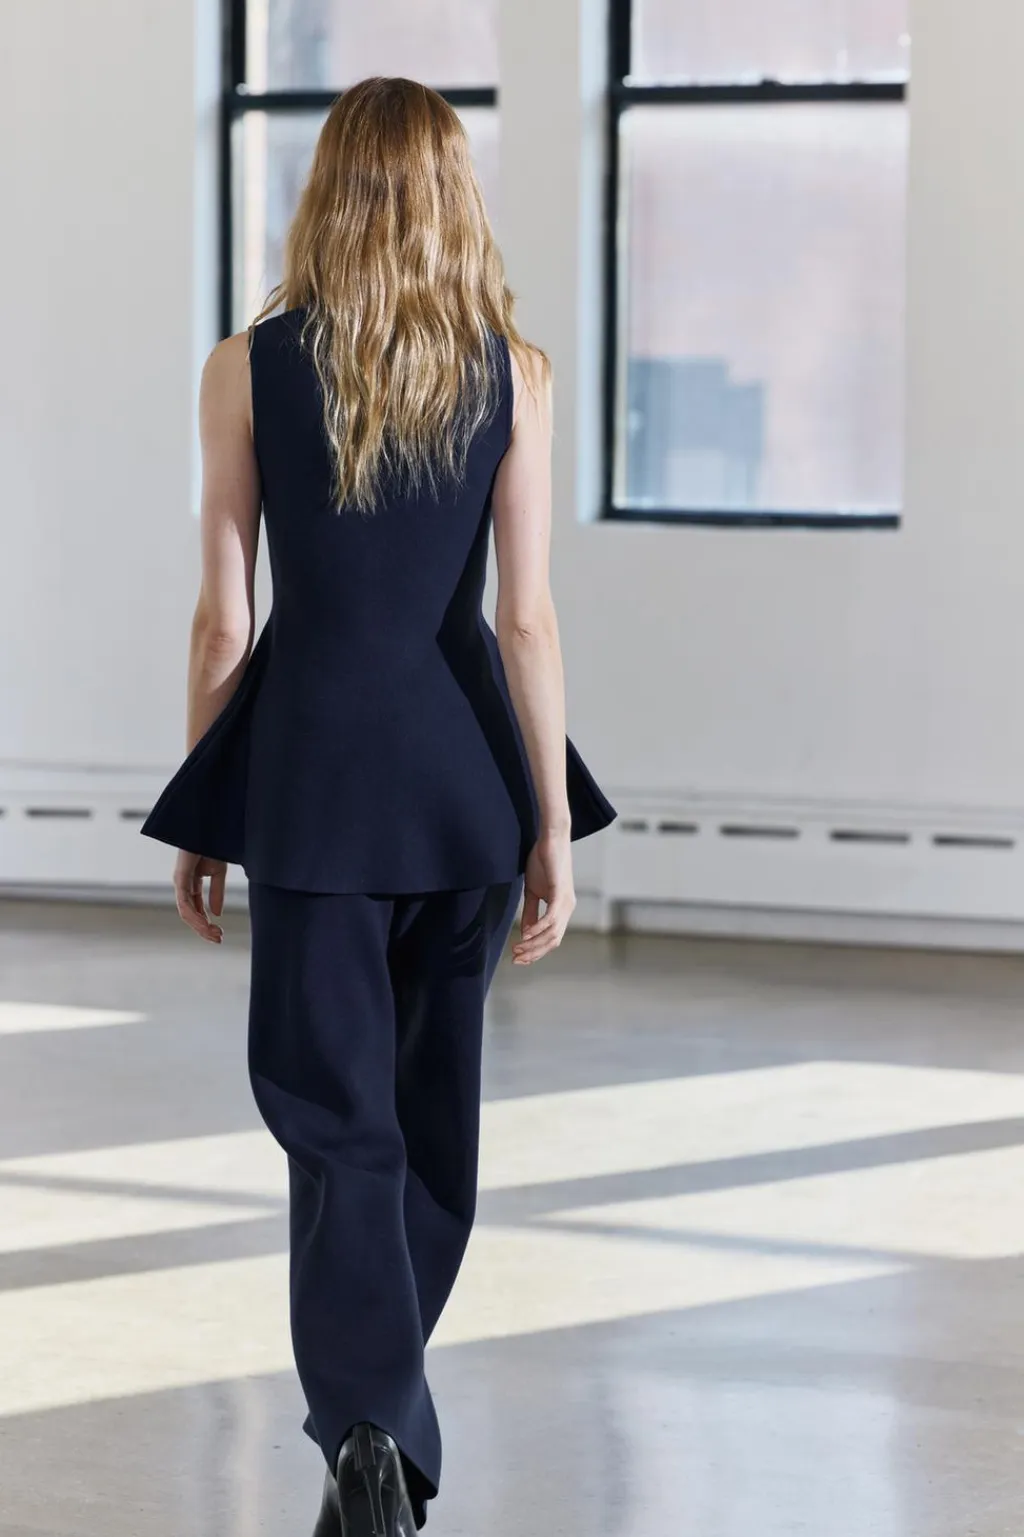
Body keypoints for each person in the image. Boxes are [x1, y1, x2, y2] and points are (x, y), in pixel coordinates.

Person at [142, 76, 615, 1537]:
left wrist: (208, 804)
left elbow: (225, 622)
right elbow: (525, 620)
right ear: (453, 192)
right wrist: (550, 821)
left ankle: (364, 1434)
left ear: (327, 187)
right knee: (428, 1131)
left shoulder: (247, 367)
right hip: (463, 787)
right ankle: (382, 1438)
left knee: (332, 1120)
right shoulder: (513, 372)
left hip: (310, 789)